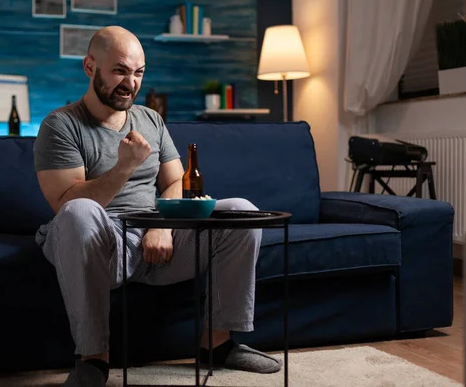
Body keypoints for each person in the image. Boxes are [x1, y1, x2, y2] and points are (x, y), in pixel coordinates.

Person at [33, 26, 281, 387]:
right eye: (119, 70)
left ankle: (218, 344)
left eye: (138, 72)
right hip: (97, 243)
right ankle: (93, 359)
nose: (130, 83)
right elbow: (66, 202)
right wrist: (125, 167)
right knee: (79, 213)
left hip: (155, 242)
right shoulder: (61, 125)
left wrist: (162, 225)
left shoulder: (151, 119)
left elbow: (176, 182)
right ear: (90, 67)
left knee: (241, 209)